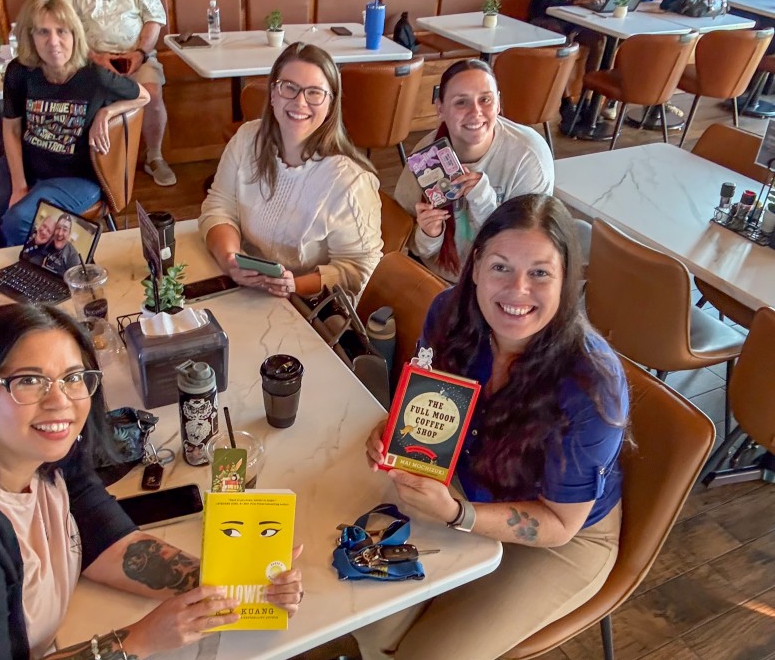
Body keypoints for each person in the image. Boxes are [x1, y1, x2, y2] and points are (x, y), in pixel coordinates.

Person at [0, 303, 305, 658]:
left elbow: (103, 537)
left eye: (75, 378)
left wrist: (234, 582)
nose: (62, 402)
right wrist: (135, 641)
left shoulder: (43, 456)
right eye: (28, 380)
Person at [354, 194, 628, 660]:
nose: (518, 290)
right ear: (476, 265)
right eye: (501, 266)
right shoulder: (449, 314)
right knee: (367, 614)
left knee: (429, 655)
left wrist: (458, 515)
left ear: (567, 282)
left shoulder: (590, 382)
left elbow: (561, 523)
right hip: (462, 482)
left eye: (540, 273)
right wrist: (395, 424)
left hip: (559, 533)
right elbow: (432, 399)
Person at [199, 43, 383, 299]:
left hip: (305, 306)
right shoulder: (247, 139)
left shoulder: (351, 183)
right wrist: (231, 260)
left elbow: (360, 269)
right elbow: (219, 206)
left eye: (315, 93)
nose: (299, 102)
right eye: (289, 87)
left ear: (330, 104)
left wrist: (295, 285)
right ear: (273, 93)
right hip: (241, 289)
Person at [0, 0, 150, 246]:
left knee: (19, 220)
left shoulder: (95, 76)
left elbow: (143, 96)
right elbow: (11, 130)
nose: (54, 41)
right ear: (30, 37)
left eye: (62, 31)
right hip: (29, 165)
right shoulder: (19, 72)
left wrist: (107, 111)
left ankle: (26, 278)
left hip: (79, 178)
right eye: (43, 32)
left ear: (74, 34)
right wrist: (19, 186)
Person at [394, 59, 553, 283]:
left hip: (499, 282)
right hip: (434, 277)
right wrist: (430, 233)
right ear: (440, 109)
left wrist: (482, 199)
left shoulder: (528, 157)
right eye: (461, 102)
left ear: (498, 103)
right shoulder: (427, 156)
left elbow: (522, 251)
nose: (476, 112)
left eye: (485, 100)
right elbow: (414, 244)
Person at [52, 0, 177, 187]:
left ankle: (154, 156)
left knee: (152, 94)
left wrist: (139, 54)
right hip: (87, 59)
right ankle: (92, 165)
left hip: (136, 56)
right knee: (82, 98)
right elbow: (61, 26)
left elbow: (153, 18)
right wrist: (96, 57)